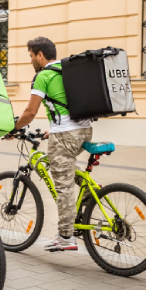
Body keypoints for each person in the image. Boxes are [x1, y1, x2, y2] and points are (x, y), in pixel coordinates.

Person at [8, 37, 92, 251]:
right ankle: (92, 195)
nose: (31, 61)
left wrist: (15, 128)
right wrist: (51, 130)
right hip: (84, 131)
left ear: (40, 55)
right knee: (64, 167)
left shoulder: (43, 76)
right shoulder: (67, 71)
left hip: (65, 135)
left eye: (31, 56)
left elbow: (30, 112)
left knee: (63, 185)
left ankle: (66, 236)